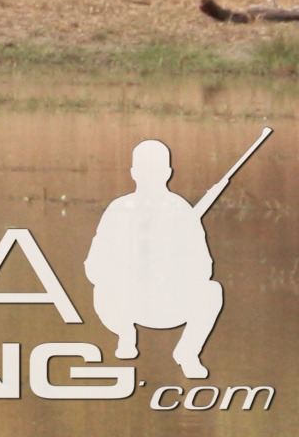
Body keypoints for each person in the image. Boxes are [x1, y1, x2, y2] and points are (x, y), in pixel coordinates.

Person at [88, 136, 231, 379]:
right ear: (134, 172)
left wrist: (172, 267)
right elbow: (93, 268)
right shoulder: (118, 210)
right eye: (147, 170)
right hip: (127, 305)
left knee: (212, 291)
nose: (150, 175)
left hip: (170, 305)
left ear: (168, 173)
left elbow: (204, 270)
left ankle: (187, 352)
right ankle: (125, 334)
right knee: (102, 289)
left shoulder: (182, 211)